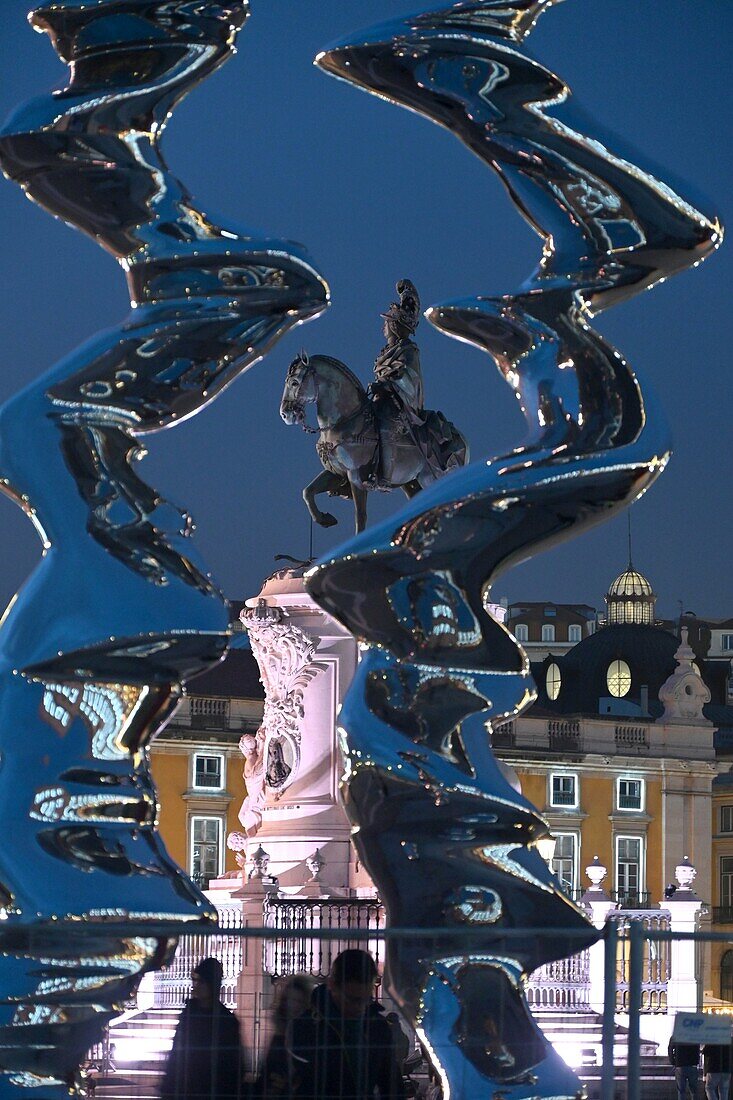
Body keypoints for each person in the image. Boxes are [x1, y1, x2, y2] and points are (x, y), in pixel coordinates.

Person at [287, 949, 406, 1099]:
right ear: (332, 985)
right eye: (352, 999)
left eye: (365, 999)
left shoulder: (378, 1027)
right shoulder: (305, 1027)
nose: (360, 1008)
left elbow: (392, 1086)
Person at [161, 957, 245, 1100]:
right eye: (195, 981)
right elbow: (177, 1052)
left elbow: (233, 1065)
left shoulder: (227, 1021)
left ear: (212, 984)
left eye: (202, 982)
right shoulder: (189, 1014)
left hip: (212, 1088)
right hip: (186, 1086)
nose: (196, 986)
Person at [252, 975, 313, 1099]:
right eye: (289, 1000)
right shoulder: (279, 1033)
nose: (292, 1006)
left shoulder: (309, 1036)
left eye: (298, 1001)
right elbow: (267, 1070)